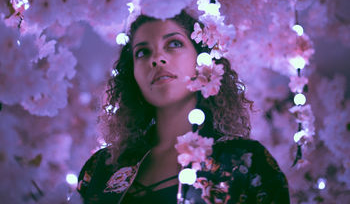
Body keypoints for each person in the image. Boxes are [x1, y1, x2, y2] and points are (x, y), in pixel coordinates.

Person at [77, 11, 290, 203]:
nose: (157, 59)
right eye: (142, 52)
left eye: (174, 44)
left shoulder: (246, 161)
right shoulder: (100, 169)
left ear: (202, 59)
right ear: (132, 75)